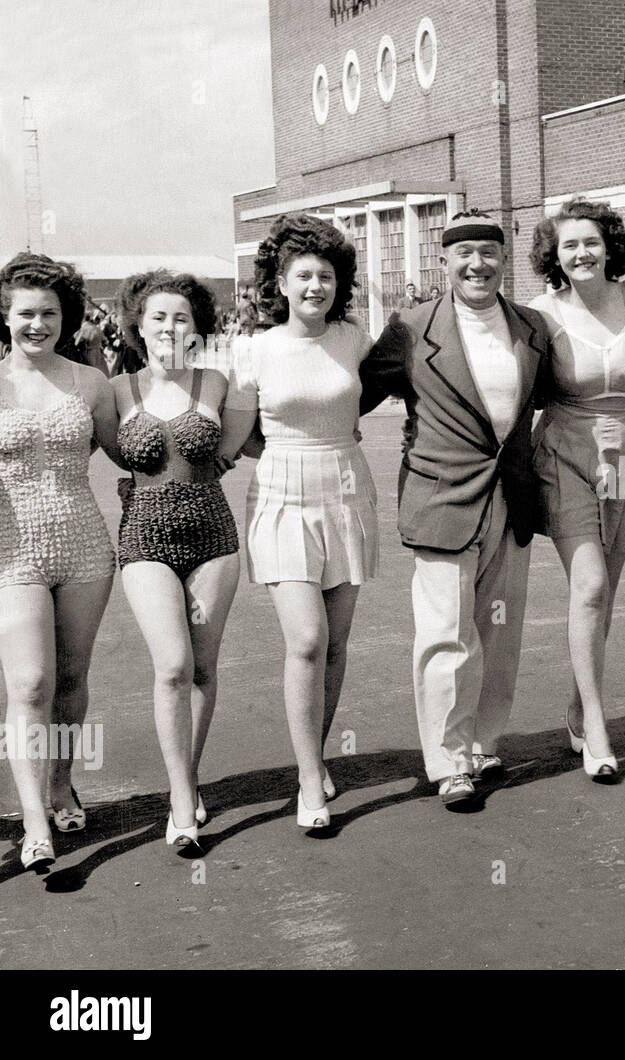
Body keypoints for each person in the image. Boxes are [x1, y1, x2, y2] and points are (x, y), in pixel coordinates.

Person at [359, 211, 552, 808]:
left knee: (498, 630)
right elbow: (352, 399)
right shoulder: (411, 330)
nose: (478, 265)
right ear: (443, 263)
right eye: (463, 253)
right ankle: (448, 763)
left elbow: (548, 400)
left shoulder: (532, 327)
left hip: (512, 498)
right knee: (445, 634)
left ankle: (483, 742)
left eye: (489, 253)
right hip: (441, 500)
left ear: (504, 260)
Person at [220, 213, 380, 832]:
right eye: (304, 276)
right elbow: (234, 440)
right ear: (280, 283)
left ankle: (314, 755)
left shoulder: (355, 340)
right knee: (307, 640)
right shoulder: (254, 349)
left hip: (346, 492)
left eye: (328, 276)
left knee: (336, 644)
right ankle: (310, 778)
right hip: (282, 499)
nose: (317, 286)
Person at [528, 199, 625, 780]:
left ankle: (575, 707)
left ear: (609, 245)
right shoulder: (539, 313)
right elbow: (525, 390)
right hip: (566, 452)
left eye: (591, 242)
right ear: (554, 256)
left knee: (605, 592)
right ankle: (595, 725)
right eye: (569, 245)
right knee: (588, 586)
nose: (582, 253)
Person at [113, 270, 241, 852]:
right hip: (143, 539)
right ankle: (182, 800)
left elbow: (243, 444)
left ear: (198, 327)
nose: (170, 327)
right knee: (172, 666)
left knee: (204, 669)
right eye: (159, 316)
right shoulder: (117, 391)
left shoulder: (216, 382)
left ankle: (184, 784)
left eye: (182, 317)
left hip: (212, 537)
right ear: (138, 324)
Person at [0, 253, 118, 871]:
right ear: (5, 316)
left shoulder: (90, 382)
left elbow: (131, 451)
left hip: (83, 547)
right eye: (25, 313)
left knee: (70, 682)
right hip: (10, 551)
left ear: (66, 316)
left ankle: (61, 781)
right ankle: (35, 824)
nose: (37, 324)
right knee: (29, 684)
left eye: (49, 312)